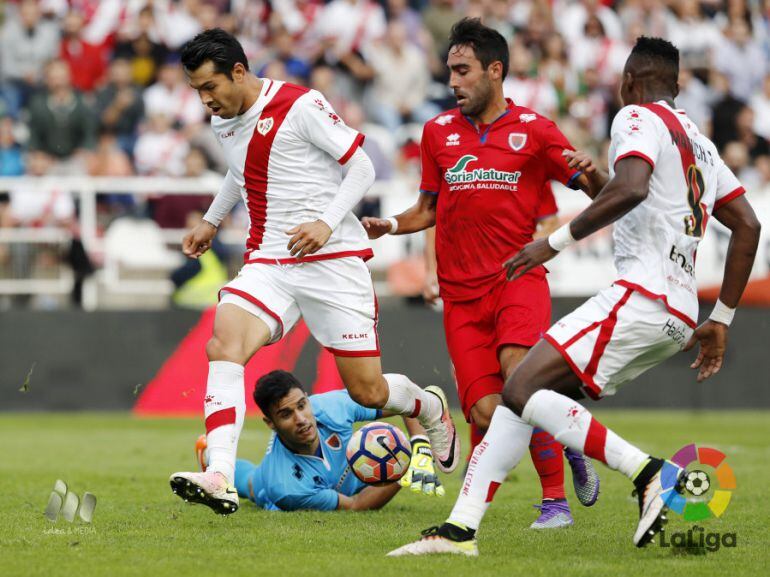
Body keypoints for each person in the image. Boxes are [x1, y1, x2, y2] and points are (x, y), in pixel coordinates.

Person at [387, 36, 761, 556]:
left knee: (519, 388)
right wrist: (721, 318)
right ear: (676, 84)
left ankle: (648, 472)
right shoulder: (699, 143)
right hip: (679, 313)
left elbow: (630, 188)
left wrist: (553, 243)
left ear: (628, 81)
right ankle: (459, 530)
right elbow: (747, 226)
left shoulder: (635, 119)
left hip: (641, 294)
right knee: (527, 399)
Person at [168, 28, 458, 515]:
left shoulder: (301, 105)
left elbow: (363, 167)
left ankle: (426, 405)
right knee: (224, 344)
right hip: (271, 259)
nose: (205, 100)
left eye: (209, 87)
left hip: (332, 260)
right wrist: (212, 220)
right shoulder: (225, 119)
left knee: (368, 390)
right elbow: (241, 173)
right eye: (197, 89)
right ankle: (220, 472)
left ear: (238, 72)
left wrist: (326, 223)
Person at [363, 19, 602, 529]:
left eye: (462, 70)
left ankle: (555, 503)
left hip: (517, 279)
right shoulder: (437, 132)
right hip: (461, 298)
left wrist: (595, 169)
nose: (452, 81)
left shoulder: (535, 131)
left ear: (495, 71)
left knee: (522, 380)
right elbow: (427, 209)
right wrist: (389, 224)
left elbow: (597, 190)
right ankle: (565, 432)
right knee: (489, 414)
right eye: (449, 70)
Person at [194, 370, 444, 511]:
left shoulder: (333, 406)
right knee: (251, 484)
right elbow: (356, 505)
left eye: (302, 405)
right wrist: (405, 469)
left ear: (307, 398)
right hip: (269, 483)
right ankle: (210, 456)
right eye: (286, 414)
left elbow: (406, 401)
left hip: (346, 476)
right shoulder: (283, 485)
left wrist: (420, 446)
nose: (301, 419)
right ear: (271, 423)